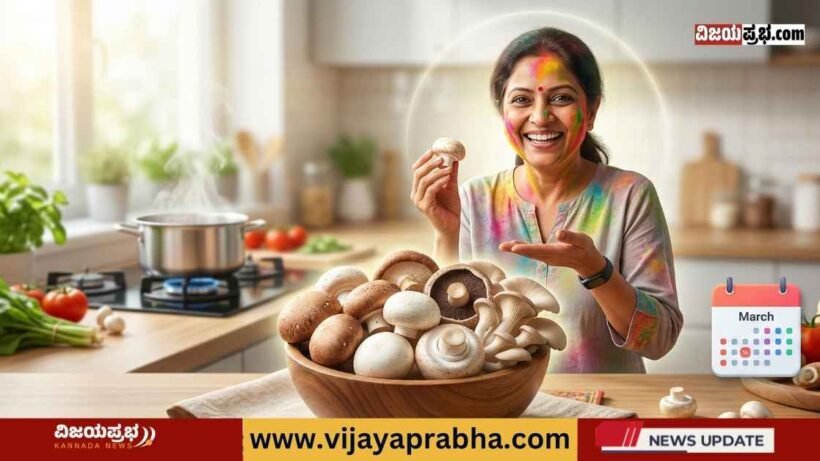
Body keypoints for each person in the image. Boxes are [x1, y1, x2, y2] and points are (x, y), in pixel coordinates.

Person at [410, 27, 682, 373]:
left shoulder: (630, 195)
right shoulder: (475, 199)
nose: (540, 117)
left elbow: (659, 340)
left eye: (561, 98)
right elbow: (447, 338)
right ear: (503, 113)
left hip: (604, 411)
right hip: (506, 414)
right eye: (522, 100)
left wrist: (596, 271)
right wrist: (446, 233)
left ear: (592, 109)